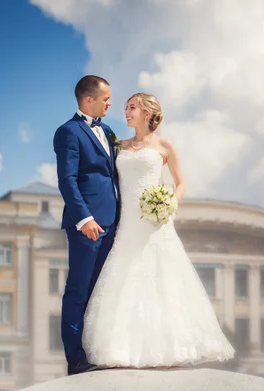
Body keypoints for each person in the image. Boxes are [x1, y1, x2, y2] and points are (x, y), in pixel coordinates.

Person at [82, 92, 235, 368]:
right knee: (126, 277)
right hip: (128, 223)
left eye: (132, 108)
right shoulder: (119, 145)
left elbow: (181, 183)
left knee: (164, 280)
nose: (126, 112)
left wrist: (168, 205)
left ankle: (168, 348)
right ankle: (123, 349)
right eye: (126, 107)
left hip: (156, 223)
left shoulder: (165, 145)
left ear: (148, 112)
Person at [53, 75, 119, 375]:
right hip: (87, 224)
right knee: (78, 289)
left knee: (100, 289)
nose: (110, 102)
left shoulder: (108, 130)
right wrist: (84, 219)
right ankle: (76, 359)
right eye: (105, 98)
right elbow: (67, 180)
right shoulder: (68, 132)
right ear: (88, 99)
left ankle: (96, 350)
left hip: (114, 222)